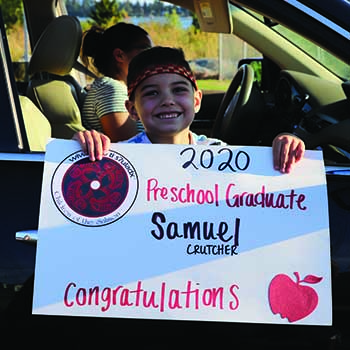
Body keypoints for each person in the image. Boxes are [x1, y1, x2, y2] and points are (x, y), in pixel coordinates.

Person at [73, 46, 305, 173]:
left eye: (179, 90)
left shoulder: (220, 155)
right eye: (152, 93)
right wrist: (82, 146)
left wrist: (285, 147)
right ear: (132, 110)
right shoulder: (115, 158)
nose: (168, 100)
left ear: (196, 101)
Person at [80, 22, 153, 142]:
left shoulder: (121, 89)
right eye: (147, 51)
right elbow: (130, 149)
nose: (152, 57)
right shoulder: (111, 89)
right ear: (119, 55)